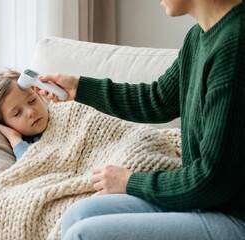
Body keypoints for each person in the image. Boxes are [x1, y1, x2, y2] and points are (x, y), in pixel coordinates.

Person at [37, 0, 245, 239]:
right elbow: (156, 100)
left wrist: (130, 181)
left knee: (84, 234)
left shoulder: (236, 45)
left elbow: (212, 180)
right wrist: (79, 88)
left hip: (234, 215)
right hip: (205, 202)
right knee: (79, 214)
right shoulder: (198, 37)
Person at [0, 69, 49, 160]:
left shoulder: (63, 112)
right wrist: (13, 137)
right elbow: (31, 166)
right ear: (5, 124)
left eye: (32, 100)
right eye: (17, 113)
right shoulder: (24, 146)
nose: (30, 112)